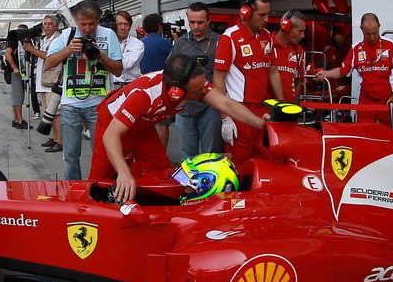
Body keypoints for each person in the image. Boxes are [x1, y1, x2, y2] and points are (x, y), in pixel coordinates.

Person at [92, 54, 268, 202]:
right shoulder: (144, 94)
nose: (202, 92)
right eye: (197, 90)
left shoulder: (193, 84)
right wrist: (123, 172)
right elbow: (111, 135)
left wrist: (262, 124)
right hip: (111, 124)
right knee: (97, 182)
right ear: (175, 91)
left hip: (143, 127)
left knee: (163, 173)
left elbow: (225, 103)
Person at [43, 0, 122, 180]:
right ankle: (74, 191)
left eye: (91, 24)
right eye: (83, 24)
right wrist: (69, 50)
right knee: (70, 156)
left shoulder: (108, 35)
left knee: (102, 153)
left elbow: (118, 69)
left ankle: (101, 188)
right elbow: (48, 63)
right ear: (76, 21)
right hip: (71, 104)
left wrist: (100, 55)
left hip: (99, 104)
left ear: (98, 20)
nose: (87, 28)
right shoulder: (66, 35)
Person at [214, 0, 276, 163]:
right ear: (245, 12)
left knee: (263, 160)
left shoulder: (267, 37)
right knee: (238, 163)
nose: (267, 19)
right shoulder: (230, 38)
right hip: (239, 110)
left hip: (263, 110)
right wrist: (225, 118)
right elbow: (218, 80)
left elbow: (272, 71)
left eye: (267, 14)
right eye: (262, 15)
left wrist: (282, 104)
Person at [315, 12, 393, 127]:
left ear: (379, 27)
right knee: (362, 137)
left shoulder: (391, 46)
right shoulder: (356, 49)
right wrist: (325, 74)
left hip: (387, 103)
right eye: (368, 34)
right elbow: (342, 71)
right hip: (365, 104)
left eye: (374, 33)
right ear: (361, 30)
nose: (372, 37)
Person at [171, 2, 222, 159]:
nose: (195, 26)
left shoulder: (220, 42)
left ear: (208, 21)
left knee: (211, 155)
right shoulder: (180, 43)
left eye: (200, 22)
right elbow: (170, 71)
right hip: (185, 109)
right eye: (191, 22)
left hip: (210, 107)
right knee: (188, 156)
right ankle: (191, 183)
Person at [20, 14, 64, 152]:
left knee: (55, 113)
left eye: (50, 24)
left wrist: (32, 49)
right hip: (43, 80)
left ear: (56, 25)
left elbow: (50, 56)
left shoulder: (58, 39)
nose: (46, 26)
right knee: (47, 112)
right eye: (45, 24)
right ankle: (54, 137)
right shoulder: (45, 39)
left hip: (53, 80)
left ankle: (60, 141)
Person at [138, 13, 173, 148]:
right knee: (164, 123)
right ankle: (162, 156)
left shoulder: (140, 44)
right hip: (161, 87)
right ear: (159, 27)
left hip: (143, 87)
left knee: (145, 124)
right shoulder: (165, 43)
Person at [269, 10, 308, 103]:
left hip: (288, 109)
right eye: (300, 31)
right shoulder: (266, 45)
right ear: (286, 27)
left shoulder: (299, 51)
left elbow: (298, 82)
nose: (302, 36)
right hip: (267, 108)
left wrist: (294, 107)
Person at [4, 25, 33, 131]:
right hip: (17, 72)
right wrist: (14, 66)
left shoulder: (23, 42)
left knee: (17, 97)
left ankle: (16, 119)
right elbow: (7, 54)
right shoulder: (15, 41)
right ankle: (19, 120)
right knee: (19, 97)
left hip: (21, 71)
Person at [113, 11, 144, 88]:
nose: (123, 27)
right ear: (114, 26)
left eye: (126, 24)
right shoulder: (109, 43)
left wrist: (111, 54)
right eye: (119, 24)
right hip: (112, 86)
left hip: (131, 86)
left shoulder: (138, 44)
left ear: (130, 26)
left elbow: (127, 65)